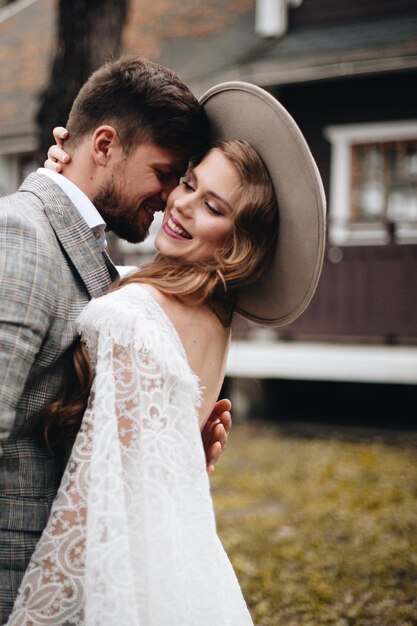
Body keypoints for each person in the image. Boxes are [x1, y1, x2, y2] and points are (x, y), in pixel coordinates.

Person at [4, 81, 326, 625]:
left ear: (237, 239)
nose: (176, 202)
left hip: (81, 575)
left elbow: (92, 497)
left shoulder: (147, 307)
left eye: (211, 205)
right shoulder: (201, 309)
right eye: (181, 180)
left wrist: (35, 615)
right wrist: (60, 180)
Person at [0, 56, 233, 624]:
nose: (169, 198)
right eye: (165, 174)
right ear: (103, 145)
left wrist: (160, 448)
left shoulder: (86, 246)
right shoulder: (24, 237)